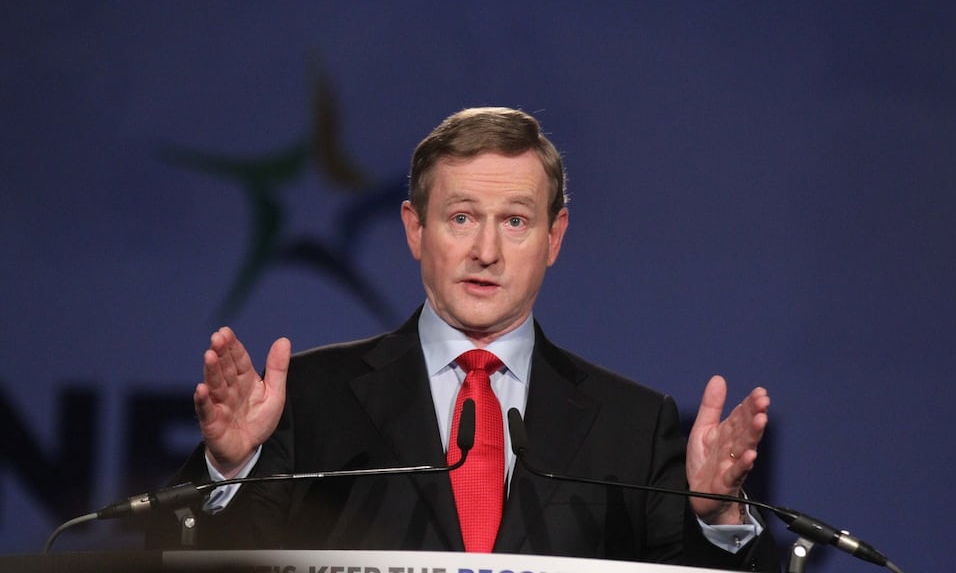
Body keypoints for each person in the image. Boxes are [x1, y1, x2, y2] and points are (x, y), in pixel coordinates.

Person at [147, 107, 779, 571]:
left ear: (554, 239)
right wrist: (227, 472)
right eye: (461, 217)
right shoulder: (306, 402)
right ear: (415, 229)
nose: (486, 251)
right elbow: (179, 562)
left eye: (515, 221)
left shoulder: (633, 426)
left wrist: (717, 520)